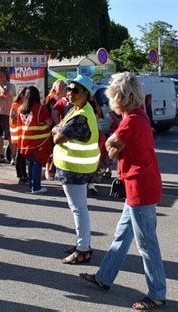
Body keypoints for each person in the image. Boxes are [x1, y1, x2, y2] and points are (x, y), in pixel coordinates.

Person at [80, 72, 166, 311]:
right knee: (123, 234)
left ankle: (157, 293)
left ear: (120, 97)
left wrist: (112, 143)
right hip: (139, 185)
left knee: (147, 243)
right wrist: (113, 144)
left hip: (140, 188)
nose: (110, 101)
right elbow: (113, 147)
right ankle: (105, 277)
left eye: (112, 96)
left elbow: (111, 149)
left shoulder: (131, 121)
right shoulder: (139, 117)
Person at [52, 75, 100, 264]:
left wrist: (56, 130)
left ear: (86, 94)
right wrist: (58, 129)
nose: (70, 93)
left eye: (75, 90)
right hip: (74, 168)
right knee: (79, 208)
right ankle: (83, 244)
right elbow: (59, 129)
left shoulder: (81, 116)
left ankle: (83, 249)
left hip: (76, 169)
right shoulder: (77, 109)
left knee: (78, 209)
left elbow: (57, 136)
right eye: (69, 89)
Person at [17, 86, 52, 193]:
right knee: (37, 163)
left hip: (25, 141)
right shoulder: (40, 108)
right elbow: (49, 122)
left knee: (31, 163)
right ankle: (36, 187)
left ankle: (32, 185)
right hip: (39, 141)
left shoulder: (20, 109)